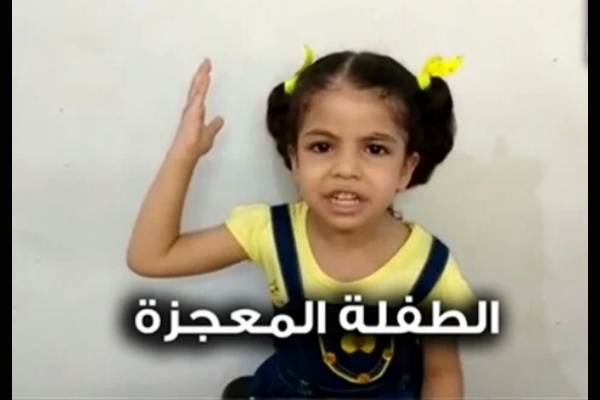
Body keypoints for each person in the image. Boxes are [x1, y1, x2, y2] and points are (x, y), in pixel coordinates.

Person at [126, 46, 476, 399]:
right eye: (322, 147)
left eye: (375, 149)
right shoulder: (269, 232)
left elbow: (442, 376)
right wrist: (184, 153)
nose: (346, 169)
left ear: (406, 168)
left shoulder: (430, 269)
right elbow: (151, 257)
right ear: (294, 158)